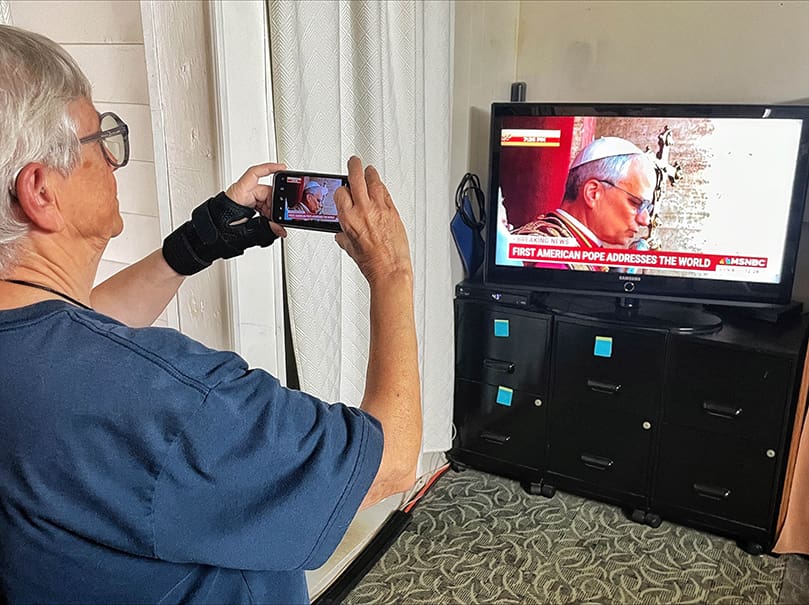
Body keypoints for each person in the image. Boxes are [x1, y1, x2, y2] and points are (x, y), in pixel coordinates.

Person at [0, 24, 421, 605]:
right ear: (41, 191)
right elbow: (391, 461)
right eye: (101, 140)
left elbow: (67, 333)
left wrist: (196, 245)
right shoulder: (172, 402)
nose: (114, 161)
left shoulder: (31, 350)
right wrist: (393, 271)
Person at [511, 136, 656, 270]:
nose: (645, 220)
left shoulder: (585, 251)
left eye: (647, 207)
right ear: (593, 193)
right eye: (636, 203)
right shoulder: (551, 258)